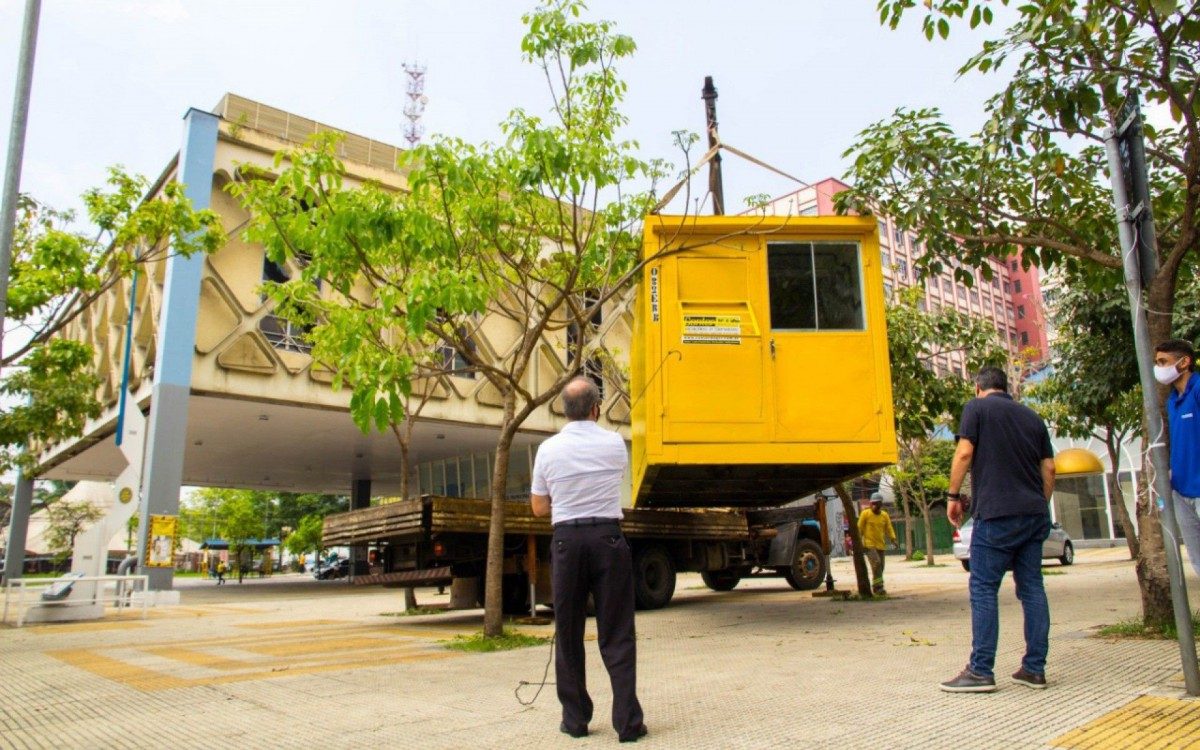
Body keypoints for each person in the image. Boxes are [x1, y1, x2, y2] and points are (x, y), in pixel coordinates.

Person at [530, 377, 647, 743]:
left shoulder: (548, 450)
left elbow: (538, 508)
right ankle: (627, 724)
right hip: (608, 539)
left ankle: (576, 720)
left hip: (567, 542)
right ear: (596, 408)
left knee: (568, 633)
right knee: (617, 632)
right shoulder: (614, 443)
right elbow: (614, 481)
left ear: (563, 410)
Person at [940, 366, 1055, 693]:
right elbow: (1049, 467)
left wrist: (952, 496)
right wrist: (1037, 503)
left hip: (997, 514)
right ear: (1005, 387)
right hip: (1033, 513)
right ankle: (1034, 669)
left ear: (978, 387)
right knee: (1032, 587)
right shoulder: (1032, 417)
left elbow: (964, 452)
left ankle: (980, 671)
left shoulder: (976, 408)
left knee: (983, 587)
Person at [1155, 338, 1200, 575]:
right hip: (1182, 492)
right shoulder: (1173, 400)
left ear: (1185, 362)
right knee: (1197, 559)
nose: (1159, 368)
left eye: (1164, 362)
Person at [857, 492, 898, 594]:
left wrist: (893, 539)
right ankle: (879, 587)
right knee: (877, 564)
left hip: (880, 545)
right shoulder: (865, 514)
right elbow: (859, 529)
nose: (874, 505)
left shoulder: (884, 515)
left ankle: (876, 587)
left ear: (881, 504)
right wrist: (859, 543)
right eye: (872, 503)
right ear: (870, 504)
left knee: (881, 567)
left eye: (876, 503)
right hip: (869, 545)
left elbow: (889, 528)